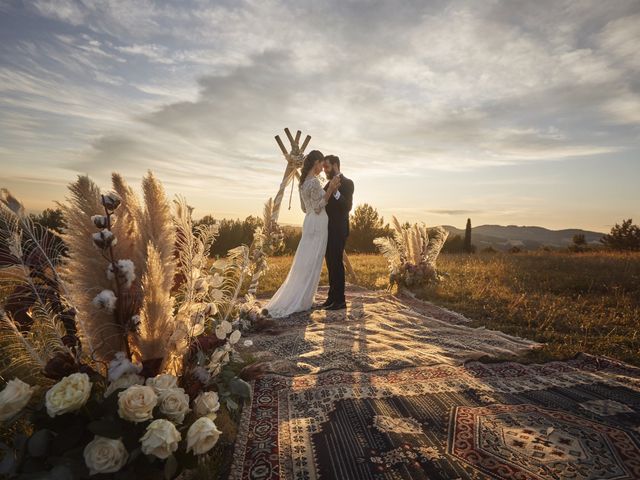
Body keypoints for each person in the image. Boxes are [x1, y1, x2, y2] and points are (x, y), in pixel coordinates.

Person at [264, 150, 341, 318]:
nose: (323, 167)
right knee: (313, 260)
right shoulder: (313, 183)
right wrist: (331, 189)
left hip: (309, 221)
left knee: (305, 259)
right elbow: (319, 207)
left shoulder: (303, 183)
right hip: (319, 223)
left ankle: (301, 297)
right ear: (316, 163)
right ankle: (302, 300)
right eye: (321, 163)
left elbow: (305, 209)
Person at [319, 155, 354, 310]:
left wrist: (335, 192)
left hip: (340, 229)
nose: (325, 170)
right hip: (327, 230)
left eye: (327, 167)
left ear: (335, 165)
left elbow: (347, 206)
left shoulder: (348, 183)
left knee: (337, 263)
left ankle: (340, 300)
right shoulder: (326, 185)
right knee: (331, 264)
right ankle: (332, 298)